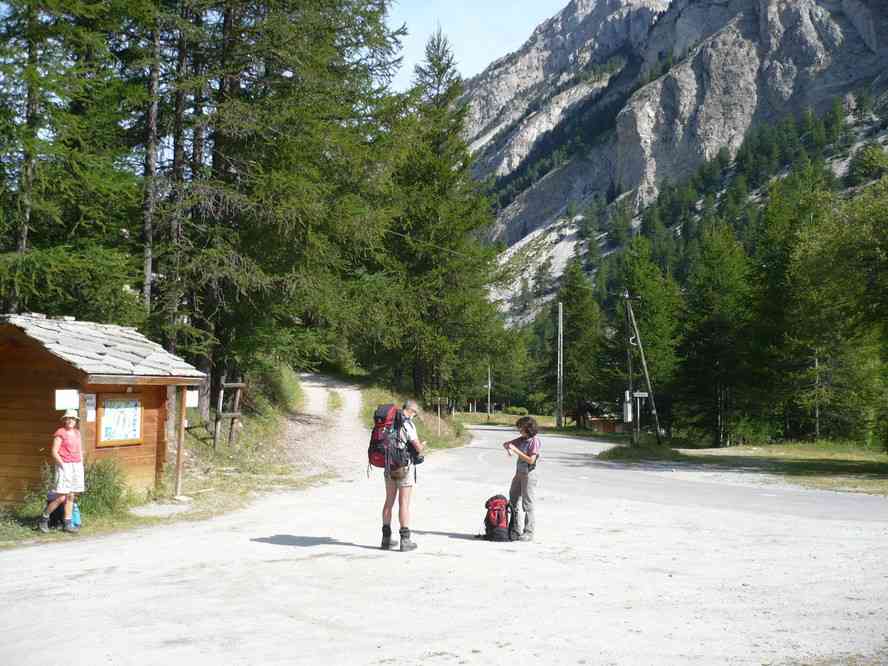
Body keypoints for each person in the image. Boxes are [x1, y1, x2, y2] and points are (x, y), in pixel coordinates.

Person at [381, 400, 425, 552]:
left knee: (388, 502)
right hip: (404, 467)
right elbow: (417, 448)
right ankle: (405, 540)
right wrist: (422, 446)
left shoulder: (388, 422)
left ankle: (385, 539)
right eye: (415, 413)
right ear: (411, 411)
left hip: (388, 465)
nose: (414, 415)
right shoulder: (408, 424)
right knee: (404, 503)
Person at [38, 410, 85, 534]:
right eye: (68, 418)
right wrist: (63, 465)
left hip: (76, 465)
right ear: (65, 420)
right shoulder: (60, 432)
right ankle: (44, 518)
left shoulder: (77, 433)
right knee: (61, 497)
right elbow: (54, 451)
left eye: (73, 419)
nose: (70, 421)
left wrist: (81, 464)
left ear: (76, 421)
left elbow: (80, 450)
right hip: (64, 465)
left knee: (71, 495)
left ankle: (68, 523)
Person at [502, 416, 541, 542]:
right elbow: (507, 444)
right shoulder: (522, 439)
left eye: (521, 428)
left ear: (528, 428)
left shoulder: (534, 441)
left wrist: (516, 451)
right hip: (519, 473)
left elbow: (531, 460)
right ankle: (515, 529)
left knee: (527, 503)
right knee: (513, 500)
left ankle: (528, 532)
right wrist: (508, 447)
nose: (519, 431)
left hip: (529, 474)